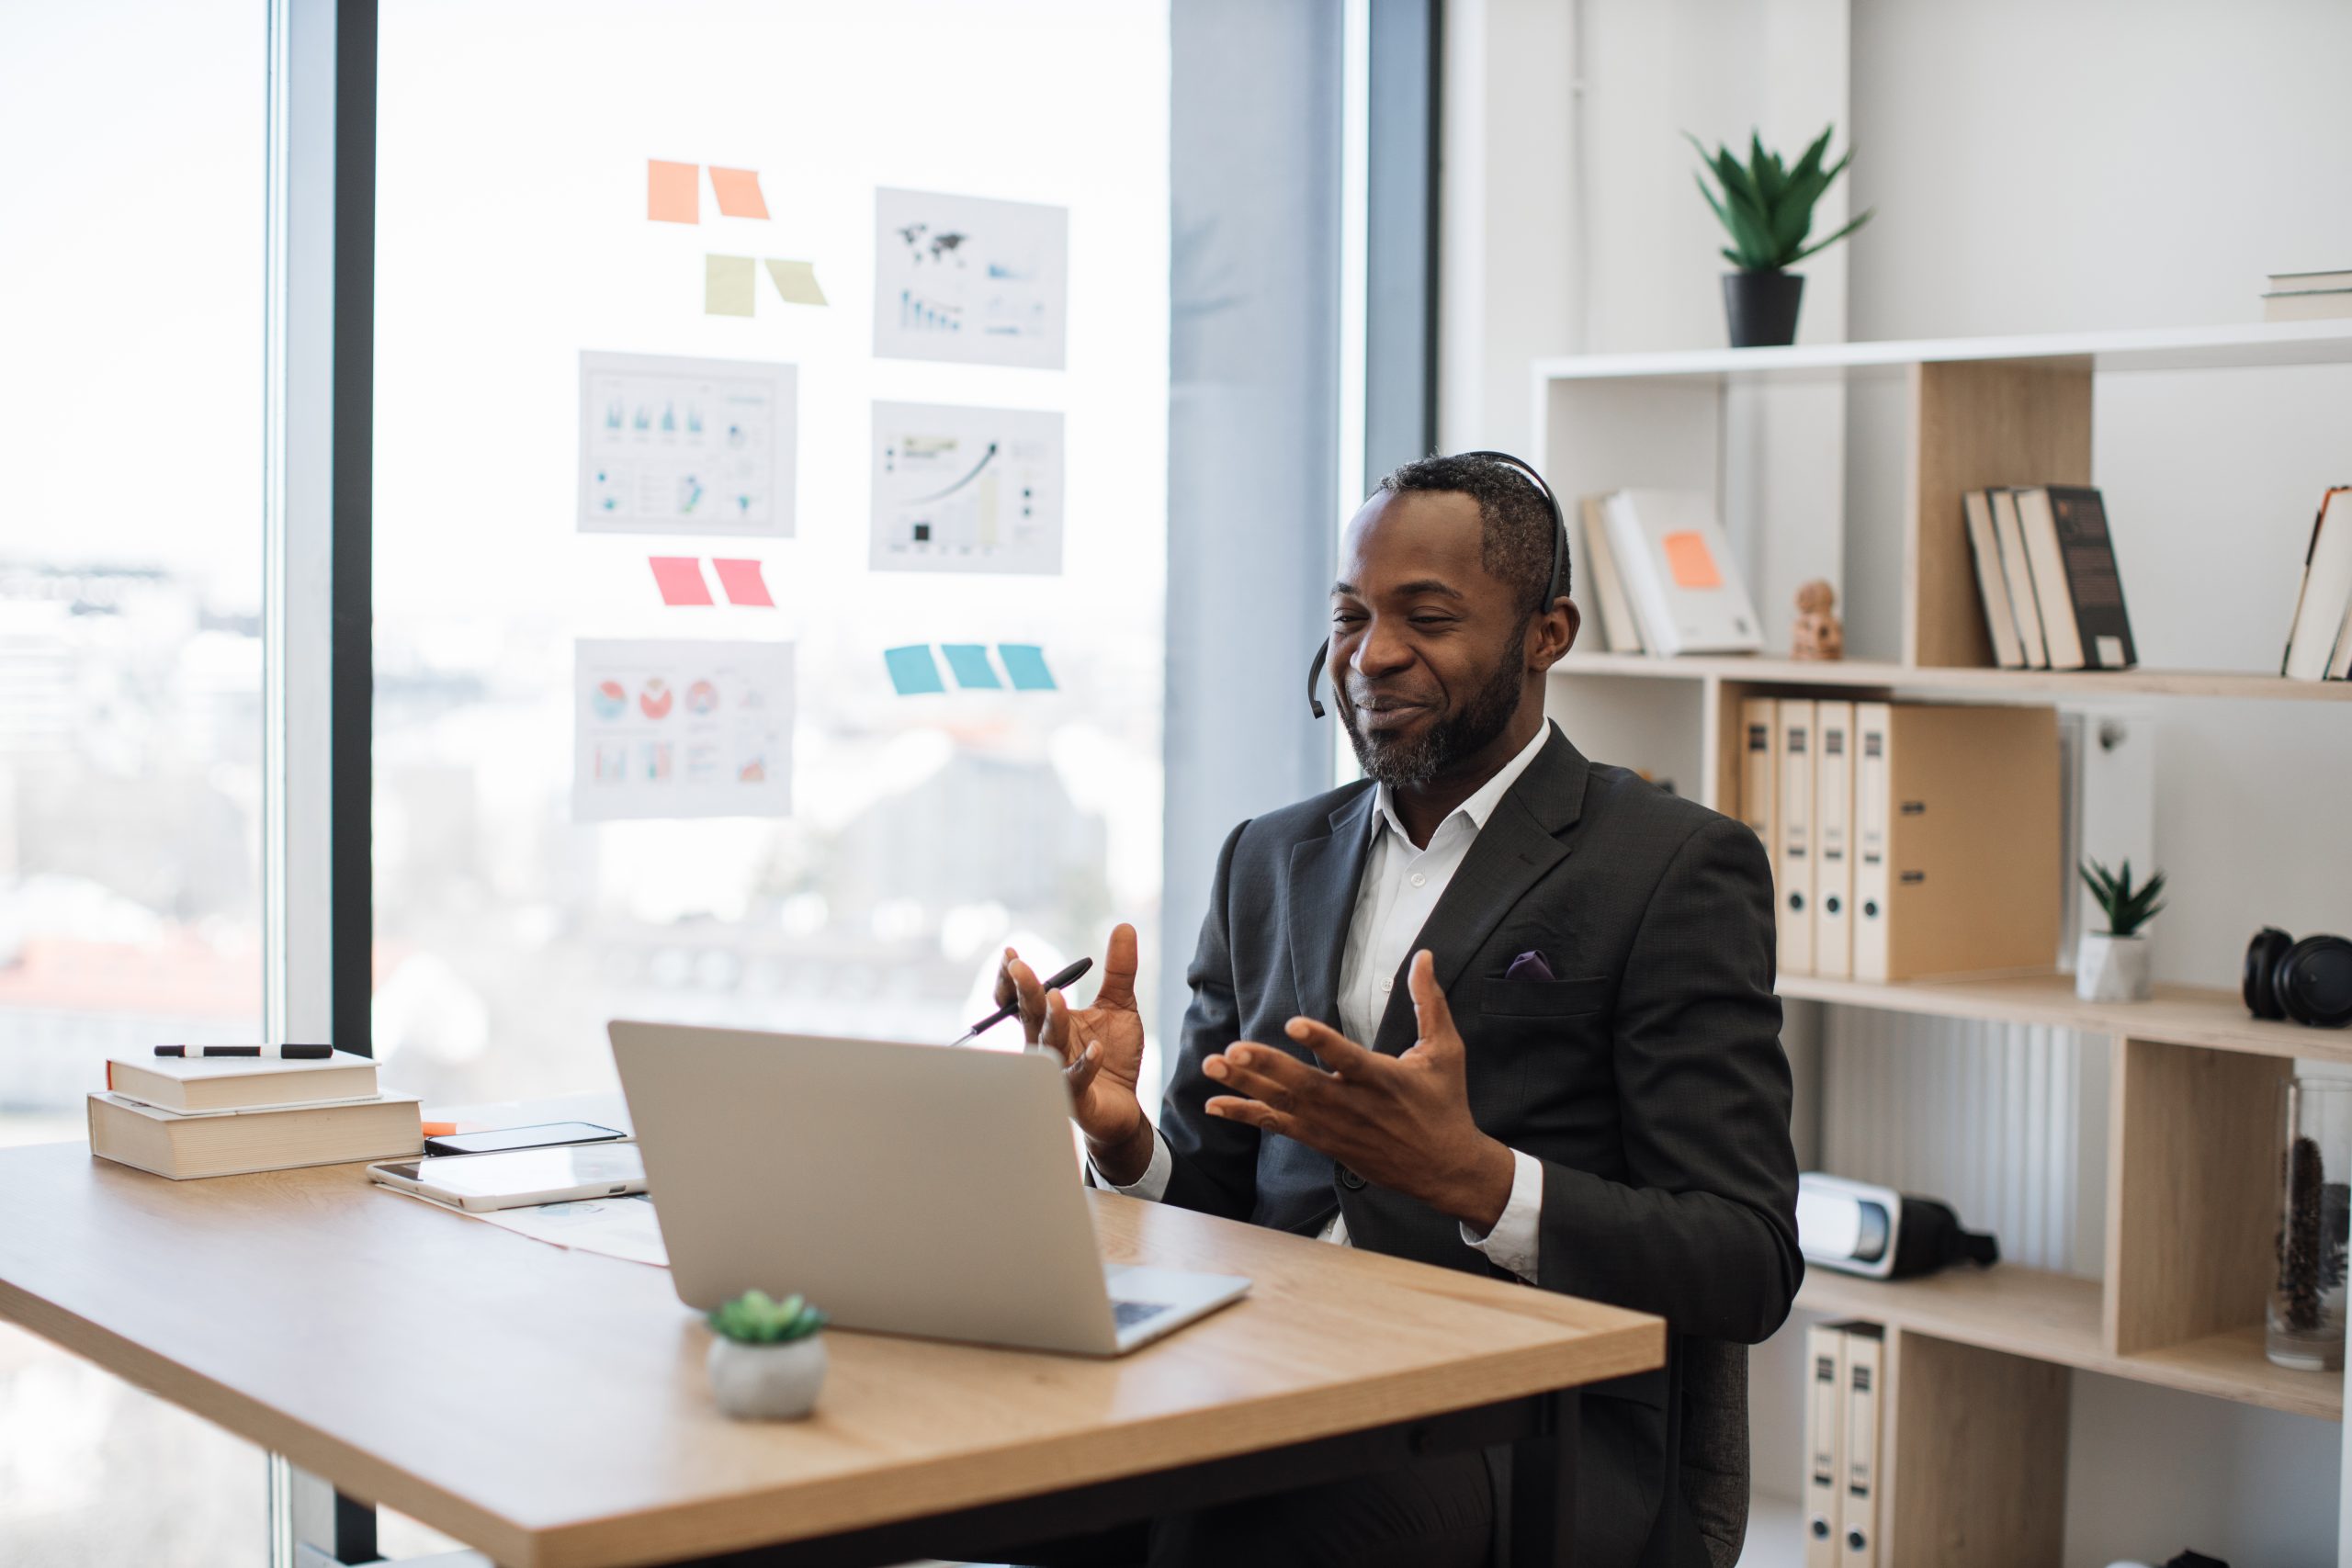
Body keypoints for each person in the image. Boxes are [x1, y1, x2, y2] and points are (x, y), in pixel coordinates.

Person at [998, 452, 1800, 1568]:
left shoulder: (1672, 867)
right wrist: (1123, 1139)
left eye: (1424, 617)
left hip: (1515, 1417)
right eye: (1349, 616)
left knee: (1250, 1523)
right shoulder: (1267, 857)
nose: (1370, 656)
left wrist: (1476, 1176)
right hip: (1259, 1355)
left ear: (1545, 634)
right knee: (996, 1476)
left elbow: (1745, 1260)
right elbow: (1220, 1190)